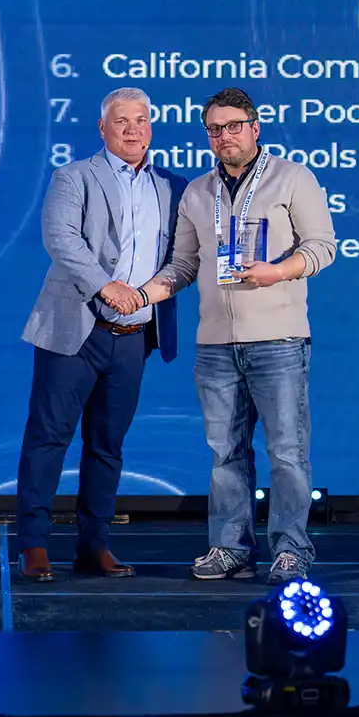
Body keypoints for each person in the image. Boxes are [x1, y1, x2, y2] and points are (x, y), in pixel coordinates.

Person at [138, 87, 336, 584]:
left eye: (232, 126)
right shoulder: (197, 193)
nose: (224, 136)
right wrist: (143, 294)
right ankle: (230, 548)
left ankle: (291, 550)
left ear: (254, 127)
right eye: (214, 129)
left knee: (287, 453)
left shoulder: (293, 177)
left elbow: (322, 246)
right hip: (215, 345)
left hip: (278, 340)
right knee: (225, 454)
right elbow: (184, 264)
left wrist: (279, 271)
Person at [15, 87, 187, 582]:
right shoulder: (74, 176)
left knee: (108, 446)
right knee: (48, 438)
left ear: (151, 126)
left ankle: (94, 547)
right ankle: (34, 546)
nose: (133, 129)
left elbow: (181, 256)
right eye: (121, 121)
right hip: (74, 328)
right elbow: (61, 239)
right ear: (103, 128)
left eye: (141, 120)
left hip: (133, 337)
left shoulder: (172, 186)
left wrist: (146, 295)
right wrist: (106, 286)